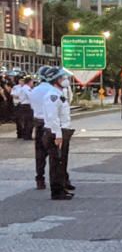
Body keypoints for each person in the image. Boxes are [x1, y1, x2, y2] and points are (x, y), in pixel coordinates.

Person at [40, 68, 73, 200]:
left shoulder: (58, 93)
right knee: (56, 163)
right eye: (62, 78)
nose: (65, 80)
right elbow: (53, 117)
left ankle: (61, 188)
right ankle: (57, 191)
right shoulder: (52, 96)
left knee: (61, 162)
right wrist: (58, 135)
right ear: (56, 80)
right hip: (54, 133)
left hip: (61, 131)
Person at [12, 75, 33, 140]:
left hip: (23, 105)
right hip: (26, 105)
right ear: (29, 82)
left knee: (26, 121)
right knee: (29, 121)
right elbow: (31, 96)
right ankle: (27, 135)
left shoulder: (24, 88)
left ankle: (25, 135)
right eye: (32, 82)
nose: (33, 83)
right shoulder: (26, 88)